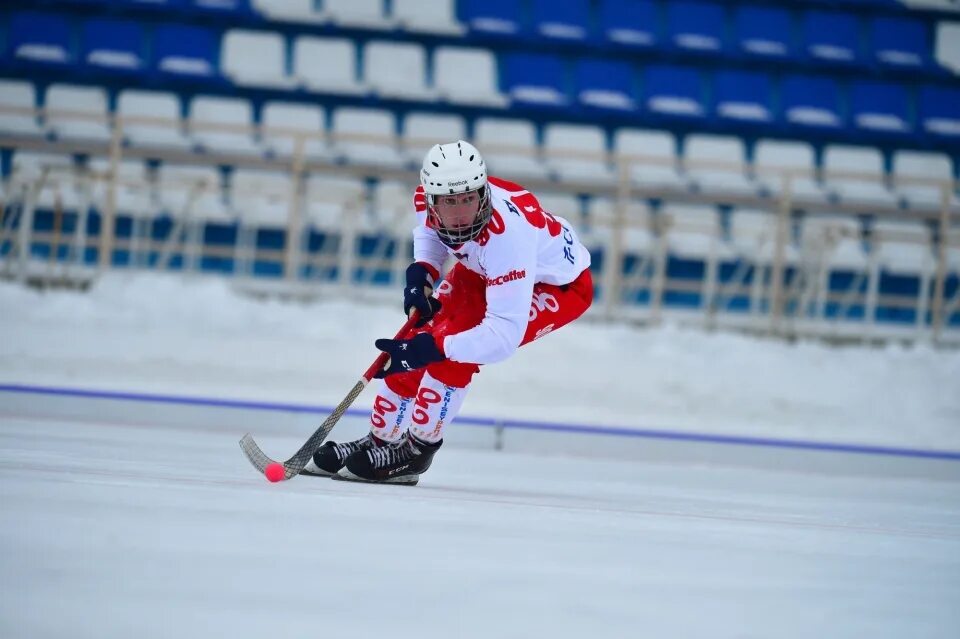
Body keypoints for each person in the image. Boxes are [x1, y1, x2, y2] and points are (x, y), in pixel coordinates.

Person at [302, 140, 593, 485]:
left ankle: (417, 451)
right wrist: (423, 271)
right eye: (449, 202)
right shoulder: (425, 200)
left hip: (554, 286)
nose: (460, 214)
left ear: (482, 194)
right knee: (416, 338)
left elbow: (502, 337)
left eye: (468, 199)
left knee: (455, 348)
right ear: (432, 200)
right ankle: (382, 440)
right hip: (482, 267)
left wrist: (436, 348)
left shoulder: (509, 240)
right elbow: (429, 233)